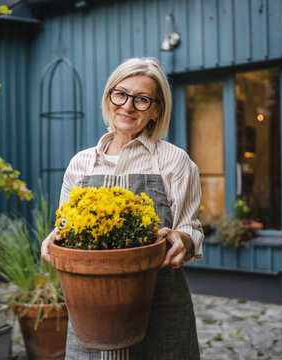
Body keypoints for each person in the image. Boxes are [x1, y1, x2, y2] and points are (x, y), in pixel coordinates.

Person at [41, 57, 204, 360]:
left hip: (159, 302)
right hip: (91, 311)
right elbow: (65, 229)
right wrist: (52, 240)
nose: (128, 106)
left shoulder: (174, 161)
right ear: (109, 97)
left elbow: (190, 229)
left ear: (156, 110)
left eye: (142, 100)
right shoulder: (81, 163)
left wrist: (181, 240)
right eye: (121, 94)